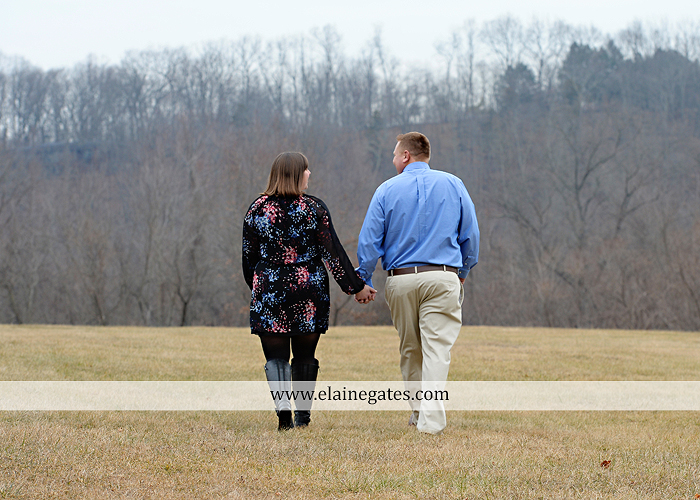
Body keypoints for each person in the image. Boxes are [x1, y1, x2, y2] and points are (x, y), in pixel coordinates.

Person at [356, 132, 479, 434]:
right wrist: (463, 270)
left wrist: (363, 279)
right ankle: (431, 421)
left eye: (395, 155)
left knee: (410, 348)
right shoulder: (454, 184)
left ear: (406, 155)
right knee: (437, 350)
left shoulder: (386, 190)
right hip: (442, 276)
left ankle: (417, 412)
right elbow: (471, 235)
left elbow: (369, 241)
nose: (393, 160)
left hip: (401, 280)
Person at [243, 152, 376, 431]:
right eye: (306, 170)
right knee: (305, 355)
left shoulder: (257, 209)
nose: (309, 174)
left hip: (270, 290)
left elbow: (248, 257)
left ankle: (284, 416)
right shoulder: (314, 208)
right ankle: (302, 417)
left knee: (276, 357)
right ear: (295, 174)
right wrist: (356, 287)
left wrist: (259, 285)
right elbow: (333, 254)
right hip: (308, 292)